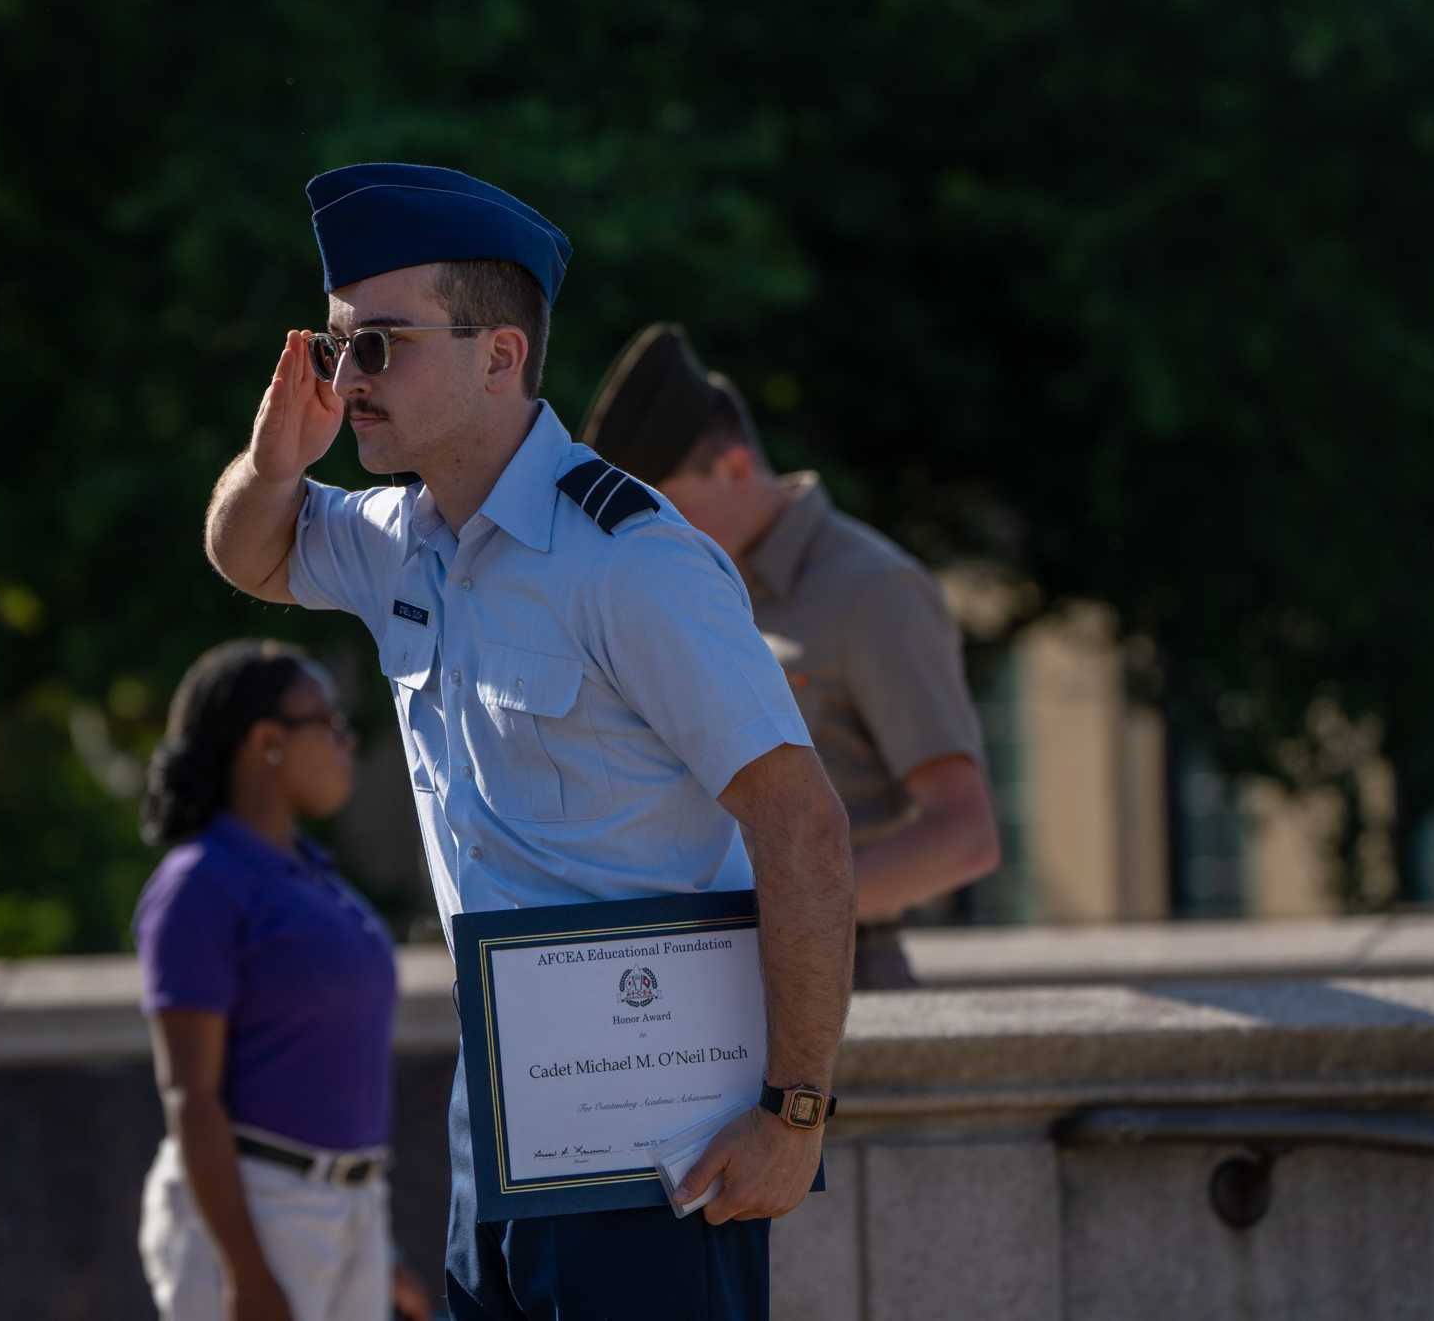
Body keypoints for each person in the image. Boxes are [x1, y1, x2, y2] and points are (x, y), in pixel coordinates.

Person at [202, 163, 855, 1321]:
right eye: (336, 346)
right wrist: (274, 461)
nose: (349, 379)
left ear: (499, 355)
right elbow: (244, 555)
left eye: (382, 345)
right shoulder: (400, 536)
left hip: (660, 1121)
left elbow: (800, 823)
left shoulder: (629, 560)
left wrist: (795, 1114)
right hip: (501, 1100)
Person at [582, 323, 1001, 988]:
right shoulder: (684, 592)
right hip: (692, 984)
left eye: (666, 510)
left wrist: (782, 914)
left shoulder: (871, 591)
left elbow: (963, 834)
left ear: (737, 468)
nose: (649, 537)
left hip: (837, 978)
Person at [132, 638, 432, 1321]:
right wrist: (244, 1267)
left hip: (354, 1202)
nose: (345, 742)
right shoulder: (200, 883)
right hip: (255, 1208)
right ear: (267, 741)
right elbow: (190, 1097)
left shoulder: (313, 875)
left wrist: (373, 1247)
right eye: (327, 724)